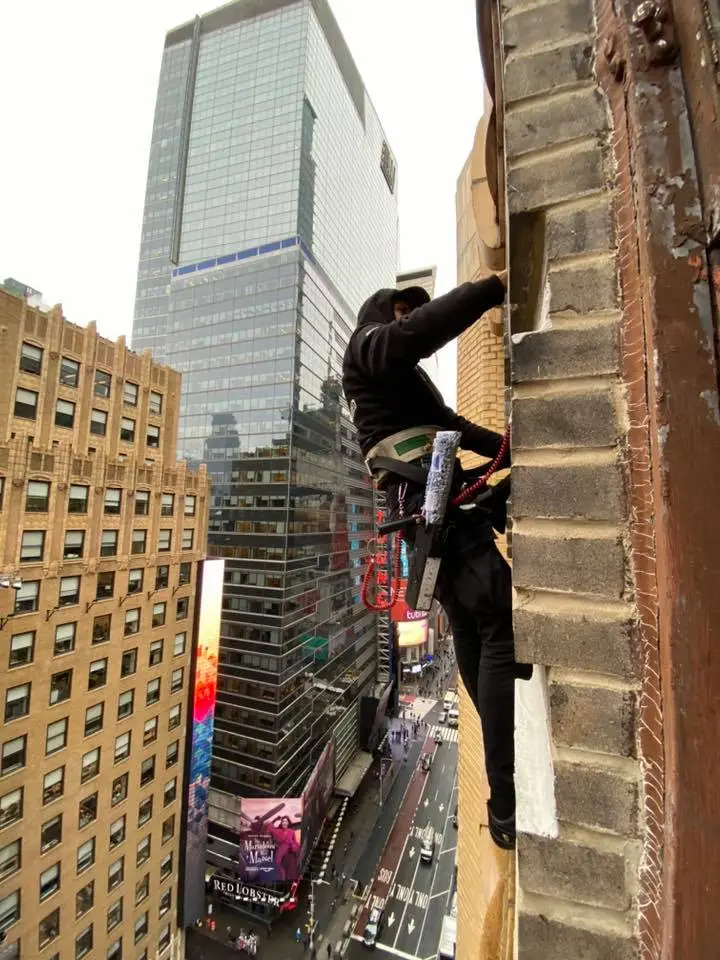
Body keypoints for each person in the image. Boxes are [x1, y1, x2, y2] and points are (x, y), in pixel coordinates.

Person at [342, 275, 532, 850]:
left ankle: (501, 784)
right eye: (400, 311)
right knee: (496, 617)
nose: (407, 320)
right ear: (381, 313)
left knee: (476, 624)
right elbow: (408, 339)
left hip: (437, 505)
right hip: (431, 503)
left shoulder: (405, 385)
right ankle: (504, 797)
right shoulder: (368, 349)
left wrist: (507, 441)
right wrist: (492, 289)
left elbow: (453, 426)